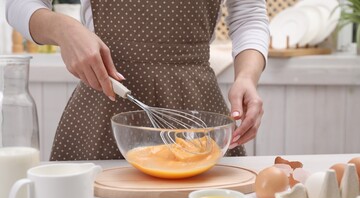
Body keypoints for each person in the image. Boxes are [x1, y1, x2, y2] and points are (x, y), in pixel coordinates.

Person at [6, 0, 269, 160]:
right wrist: (63, 28)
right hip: (103, 105)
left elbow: (248, 14)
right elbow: (20, 4)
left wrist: (246, 77)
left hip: (194, 106)